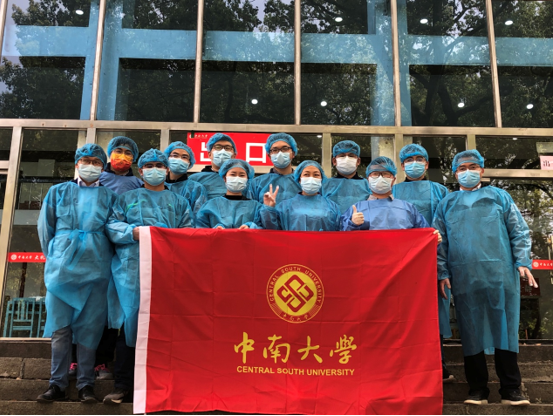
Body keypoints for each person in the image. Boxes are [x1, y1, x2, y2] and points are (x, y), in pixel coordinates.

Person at [433, 149, 536, 406]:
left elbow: (518, 231)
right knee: (470, 330)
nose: (467, 172)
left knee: (505, 326)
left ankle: (511, 389)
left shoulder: (499, 196)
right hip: (464, 275)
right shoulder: (446, 203)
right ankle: (477, 390)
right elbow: (439, 241)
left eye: (472, 167)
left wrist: (523, 261)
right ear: (455, 173)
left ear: (482, 169)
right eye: (462, 168)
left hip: (500, 274)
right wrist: (442, 272)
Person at [103, 149, 193, 405]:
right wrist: (132, 232)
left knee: (164, 328)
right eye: (149, 166)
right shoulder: (126, 198)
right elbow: (112, 225)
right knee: (130, 326)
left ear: (166, 170)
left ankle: (161, 388)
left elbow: (189, 233)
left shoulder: (179, 202)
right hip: (132, 269)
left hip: (167, 271)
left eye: (159, 165)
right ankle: (122, 386)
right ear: (141, 171)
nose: (155, 169)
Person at [36, 144, 116, 404]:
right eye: (86, 160)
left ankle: (86, 385)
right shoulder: (58, 191)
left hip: (97, 269)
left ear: (103, 167)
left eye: (96, 161)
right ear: (77, 164)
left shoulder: (110, 196)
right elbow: (45, 229)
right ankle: (56, 384)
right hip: (61, 271)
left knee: (90, 329)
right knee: (60, 329)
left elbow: (114, 232)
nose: (90, 165)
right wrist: (56, 257)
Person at [392, 143, 453, 382]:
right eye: (409, 160)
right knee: (403, 313)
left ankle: (438, 363)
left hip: (434, 260)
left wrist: (442, 266)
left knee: (434, 313)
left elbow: (446, 228)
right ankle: (405, 365)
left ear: (426, 164)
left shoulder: (440, 191)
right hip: (401, 262)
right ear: (402, 165)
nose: (414, 163)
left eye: (419, 159)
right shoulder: (392, 191)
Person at [341, 157, 435, 232]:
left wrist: (434, 239)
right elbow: (342, 239)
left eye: (385, 174)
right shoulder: (357, 209)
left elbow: (424, 236)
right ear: (368, 179)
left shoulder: (408, 209)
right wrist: (352, 224)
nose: (380, 177)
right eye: (375, 174)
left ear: (393, 179)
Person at [195, 159, 279, 229]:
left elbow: (267, 230)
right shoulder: (210, 205)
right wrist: (214, 231)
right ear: (224, 178)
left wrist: (251, 227)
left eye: (242, 175)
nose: (237, 178)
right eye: (233, 174)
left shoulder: (256, 207)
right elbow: (200, 230)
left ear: (247, 179)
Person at [275, 160, 341, 231]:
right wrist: (268, 209)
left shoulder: (332, 207)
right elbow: (272, 230)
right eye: (306, 174)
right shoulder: (285, 207)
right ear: (299, 179)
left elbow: (340, 232)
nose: (311, 178)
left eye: (316, 175)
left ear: (321, 180)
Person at [248, 133, 301, 204]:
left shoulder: (302, 182)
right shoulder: (257, 184)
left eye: (285, 148)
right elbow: (250, 208)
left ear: (293, 153)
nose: (280, 153)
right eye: (275, 150)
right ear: (269, 156)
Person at [322, 140, 371, 213]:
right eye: (342, 156)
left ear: (358, 161)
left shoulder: (368, 185)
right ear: (334, 161)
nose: (346, 159)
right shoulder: (325, 186)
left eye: (351, 156)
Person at [188, 133, 240, 200]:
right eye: (218, 147)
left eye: (227, 148)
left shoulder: (242, 179)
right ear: (209, 154)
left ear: (234, 155)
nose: (223, 151)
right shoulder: (195, 179)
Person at [164, 141, 208, 216]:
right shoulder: (158, 186)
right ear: (167, 159)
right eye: (175, 155)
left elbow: (199, 217)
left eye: (184, 157)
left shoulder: (196, 189)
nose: (179, 159)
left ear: (189, 163)